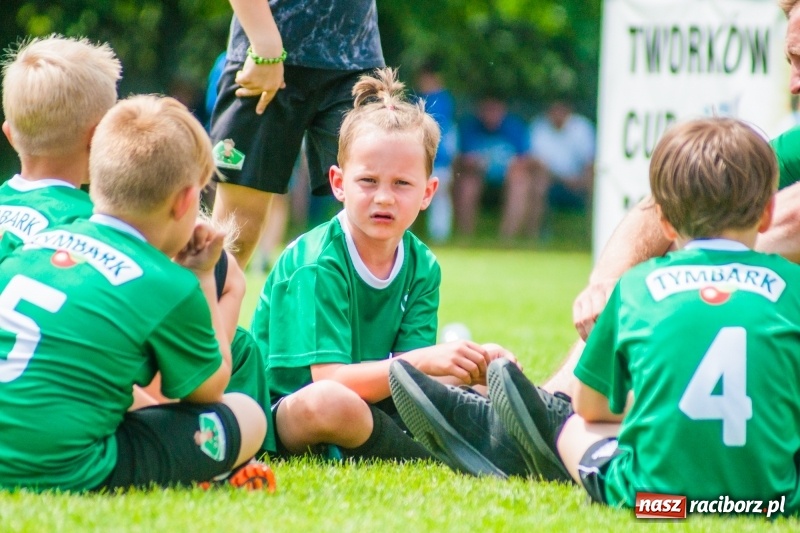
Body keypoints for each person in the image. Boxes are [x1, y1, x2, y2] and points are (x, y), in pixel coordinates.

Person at [491, 117, 800, 514]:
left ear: (666, 221)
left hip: (659, 504)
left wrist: (662, 399)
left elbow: (590, 407)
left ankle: (544, 449)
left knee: (572, 426)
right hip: (772, 504)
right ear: (767, 213)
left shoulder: (635, 286)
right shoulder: (792, 285)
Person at [0, 94, 270, 491]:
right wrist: (201, 277)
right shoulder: (168, 283)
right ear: (185, 202)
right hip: (67, 469)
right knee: (248, 415)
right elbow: (209, 388)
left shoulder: (35, 247)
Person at [250, 67, 519, 464]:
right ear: (339, 183)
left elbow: (411, 378)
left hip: (376, 401)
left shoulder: (422, 264)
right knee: (331, 403)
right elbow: (332, 380)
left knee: (489, 362)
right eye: (368, 181)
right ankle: (423, 452)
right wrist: (427, 361)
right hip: (287, 412)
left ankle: (490, 428)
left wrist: (472, 365)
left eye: (402, 184)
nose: (384, 198)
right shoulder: (316, 263)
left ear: (428, 193)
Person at [209, 0, 385, 268]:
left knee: (373, 220)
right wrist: (266, 46)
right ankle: (208, 308)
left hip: (357, 61)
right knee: (236, 232)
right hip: (263, 58)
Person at [453, 96, 546, 239]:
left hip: (509, 175)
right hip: (478, 175)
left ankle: (507, 237)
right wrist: (473, 163)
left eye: (495, 110)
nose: (491, 115)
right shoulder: (470, 126)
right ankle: (465, 236)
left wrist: (514, 166)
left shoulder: (515, 127)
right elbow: (461, 159)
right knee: (467, 185)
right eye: (487, 110)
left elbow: (526, 159)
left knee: (520, 183)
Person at [529, 101, 595, 222]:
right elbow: (539, 163)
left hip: (580, 179)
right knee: (539, 179)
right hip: (552, 179)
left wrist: (581, 180)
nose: (557, 115)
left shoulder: (582, 127)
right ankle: (535, 232)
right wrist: (565, 180)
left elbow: (589, 160)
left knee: (595, 177)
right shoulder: (539, 128)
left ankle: (592, 226)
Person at [415, 61, 457, 243]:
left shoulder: (443, 101)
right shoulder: (418, 99)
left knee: (440, 196)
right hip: (419, 158)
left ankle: (440, 234)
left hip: (440, 159)